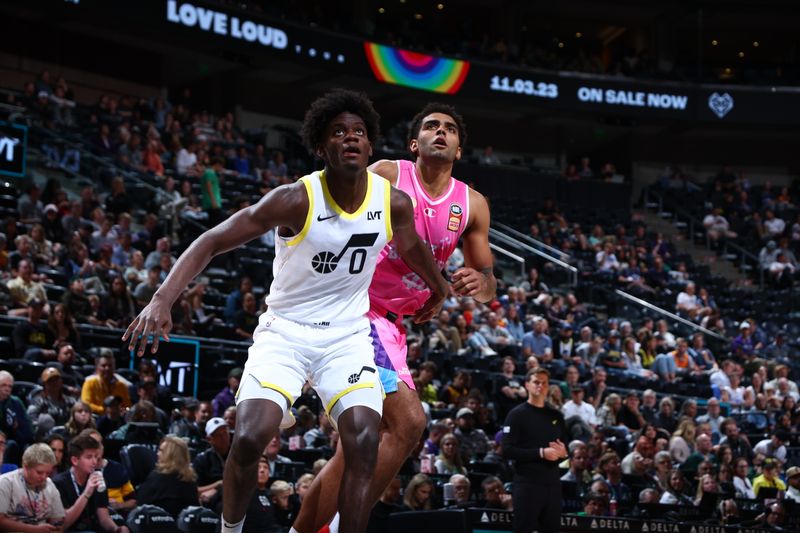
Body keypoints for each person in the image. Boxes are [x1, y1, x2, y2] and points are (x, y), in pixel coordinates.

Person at [124, 89, 447, 533]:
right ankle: (230, 529)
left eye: (358, 132)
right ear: (321, 146)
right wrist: (163, 298)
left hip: (347, 337)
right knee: (251, 437)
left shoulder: (392, 202)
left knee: (365, 440)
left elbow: (412, 248)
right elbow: (212, 240)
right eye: (338, 132)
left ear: (371, 146)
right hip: (286, 333)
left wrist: (439, 287)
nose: (350, 138)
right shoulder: (295, 199)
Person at [294, 102, 494, 533]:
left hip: (393, 326)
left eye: (450, 129)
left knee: (356, 448)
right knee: (409, 422)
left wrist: (480, 284)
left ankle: (305, 529)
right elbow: (332, 206)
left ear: (459, 149)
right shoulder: (388, 174)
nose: (440, 132)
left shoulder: (472, 204)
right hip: (357, 311)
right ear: (413, 143)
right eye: (430, 126)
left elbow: (488, 277)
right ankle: (352, 524)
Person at [502, 368, 568, 533]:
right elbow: (507, 450)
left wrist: (564, 454)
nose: (540, 386)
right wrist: (540, 453)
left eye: (544, 383)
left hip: (553, 484)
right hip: (527, 483)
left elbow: (564, 452)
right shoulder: (516, 414)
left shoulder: (556, 416)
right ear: (527, 385)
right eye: (536, 382)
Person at [53, 434, 129, 533]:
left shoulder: (98, 479)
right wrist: (86, 493)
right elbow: (63, 525)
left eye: (95, 457)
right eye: (89, 457)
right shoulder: (59, 483)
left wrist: (117, 529)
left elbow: (104, 518)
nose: (94, 462)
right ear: (75, 460)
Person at [0, 443, 65, 531]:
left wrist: (56, 527)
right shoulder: (6, 482)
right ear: (25, 467)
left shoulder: (49, 484)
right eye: (39, 472)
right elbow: (1, 521)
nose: (44, 477)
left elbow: (58, 519)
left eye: (48, 473)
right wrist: (33, 530)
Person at [137, 436, 200, 517]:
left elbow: (140, 503)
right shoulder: (191, 479)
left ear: (171, 455)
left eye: (161, 451)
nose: (157, 454)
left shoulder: (157, 477)